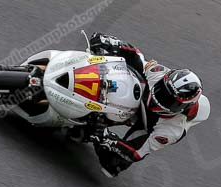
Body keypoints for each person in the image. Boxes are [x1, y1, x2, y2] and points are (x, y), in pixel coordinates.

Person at [85, 33, 210, 178]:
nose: (161, 99)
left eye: (170, 101)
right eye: (163, 90)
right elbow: (137, 57)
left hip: (151, 123)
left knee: (112, 165)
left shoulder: (171, 131)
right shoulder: (161, 74)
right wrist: (113, 44)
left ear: (182, 108)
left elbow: (137, 152)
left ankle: (90, 131)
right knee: (112, 57)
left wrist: (106, 138)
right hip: (145, 94)